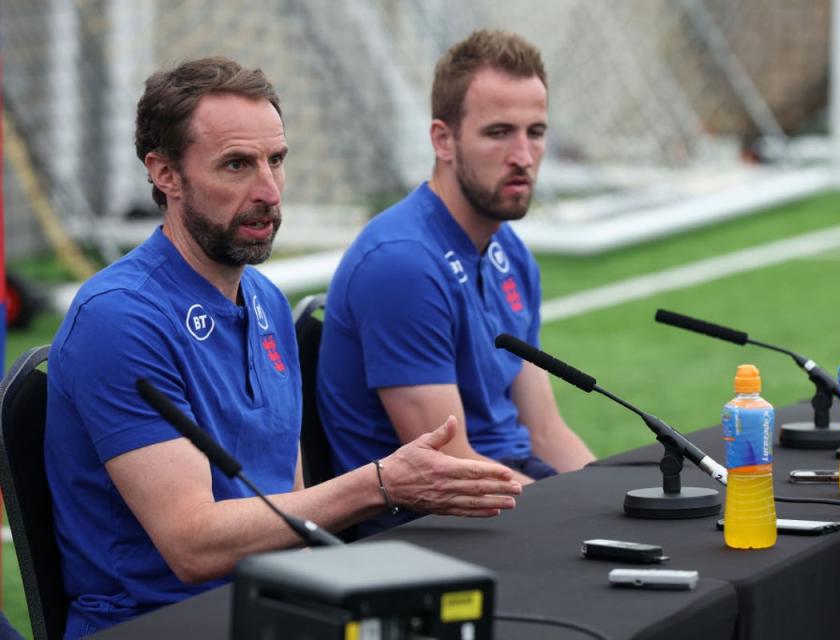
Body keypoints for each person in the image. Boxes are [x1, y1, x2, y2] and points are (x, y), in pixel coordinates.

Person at [44, 56, 521, 637]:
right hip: (157, 622)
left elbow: (286, 504)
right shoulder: (119, 319)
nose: (268, 191)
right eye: (237, 165)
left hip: (266, 609)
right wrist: (380, 484)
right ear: (165, 174)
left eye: (277, 160)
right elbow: (191, 544)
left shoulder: (266, 301)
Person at [317, 30, 595, 535]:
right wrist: (573, 523)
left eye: (535, 131)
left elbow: (547, 433)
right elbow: (450, 468)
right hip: (431, 531)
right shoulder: (402, 266)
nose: (523, 155)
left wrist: (609, 502)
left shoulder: (509, 250)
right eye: (498, 133)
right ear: (443, 140)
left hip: (510, 496)